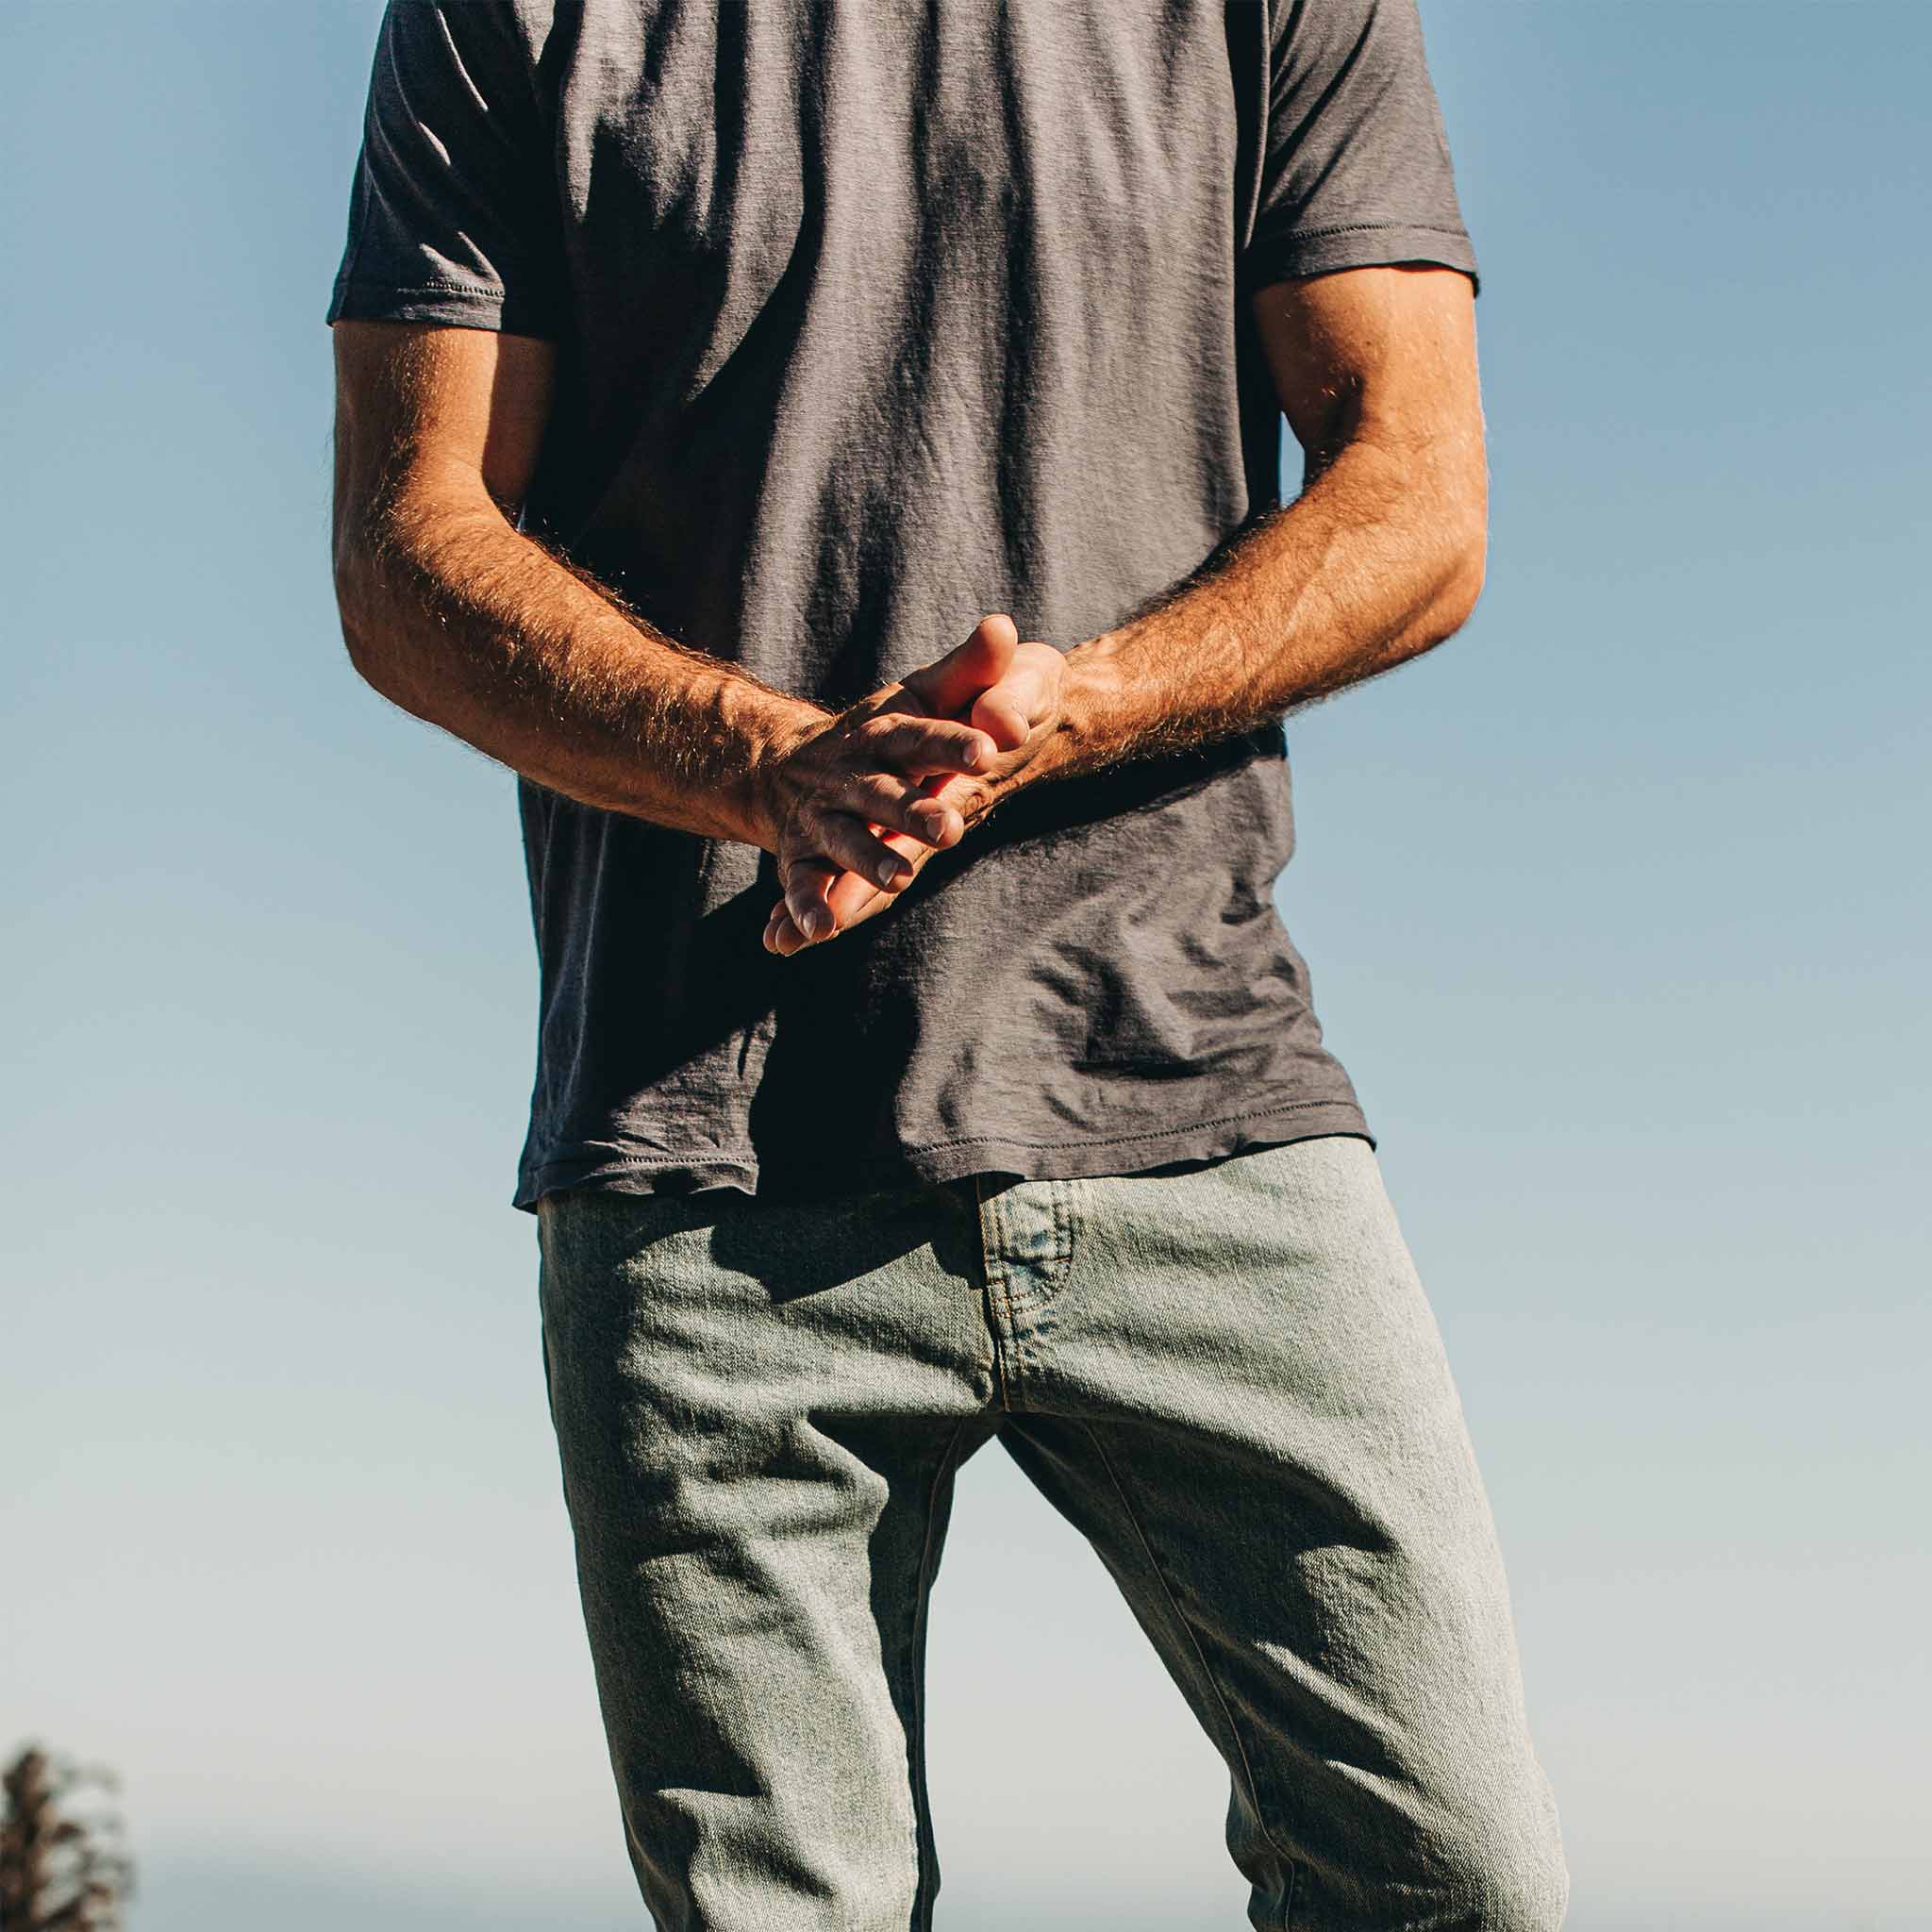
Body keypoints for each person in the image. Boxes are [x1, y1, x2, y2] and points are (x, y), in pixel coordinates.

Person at [326, 2, 1569, 1925]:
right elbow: (410, 551)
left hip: (1195, 1091)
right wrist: (769, 765)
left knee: (1455, 1878)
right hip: (704, 1165)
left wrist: (1073, 710)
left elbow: (1421, 497)